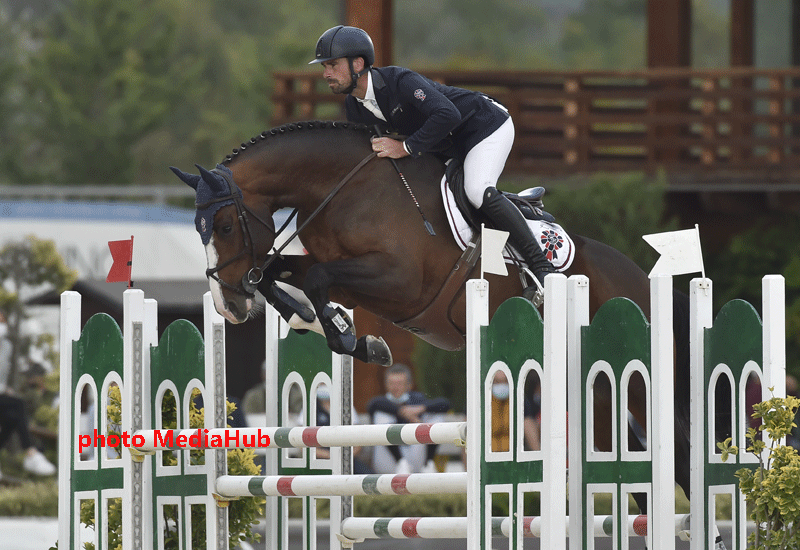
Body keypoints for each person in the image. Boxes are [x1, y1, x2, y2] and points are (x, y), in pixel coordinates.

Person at [309, 25, 556, 302]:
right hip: (445, 144)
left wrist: (405, 147)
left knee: (476, 190)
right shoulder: (355, 106)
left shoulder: (400, 81)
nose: (326, 74)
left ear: (358, 63)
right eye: (325, 66)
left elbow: (446, 114)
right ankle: (512, 206)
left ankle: (543, 267)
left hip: (484, 126)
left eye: (332, 65)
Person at [0, 313, 56, 480]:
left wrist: (4, 389)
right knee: (17, 405)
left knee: (11, 417)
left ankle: (31, 454)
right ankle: (31, 453)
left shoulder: (6, 346)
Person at [367, 363, 451, 474]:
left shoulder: (417, 399)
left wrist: (421, 409)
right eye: (391, 383)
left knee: (435, 417)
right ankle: (401, 462)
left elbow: (445, 404)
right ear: (386, 384)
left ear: (409, 385)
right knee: (382, 417)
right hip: (389, 461)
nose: (395, 387)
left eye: (399, 383)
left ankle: (428, 464)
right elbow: (372, 404)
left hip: (416, 456)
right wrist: (402, 412)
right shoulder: (381, 402)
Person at [490, 370, 539, 452]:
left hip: (512, 457)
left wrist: (538, 458)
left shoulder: (519, 400)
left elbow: (529, 427)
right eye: (497, 381)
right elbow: (467, 434)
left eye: (505, 381)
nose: (501, 385)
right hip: (487, 458)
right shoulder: (480, 401)